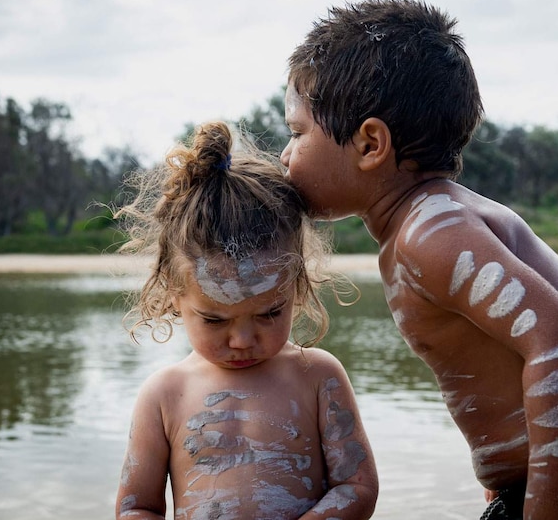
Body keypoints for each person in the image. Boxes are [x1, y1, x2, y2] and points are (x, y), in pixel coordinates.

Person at [281, 0, 558, 520]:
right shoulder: (438, 218)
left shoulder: (427, 234)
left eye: (297, 132)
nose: (287, 155)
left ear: (370, 144)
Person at [113, 121, 379, 519]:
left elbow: (357, 487)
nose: (242, 339)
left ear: (297, 287)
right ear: (174, 293)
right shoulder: (165, 395)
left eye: (270, 313)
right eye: (215, 320)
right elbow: (137, 507)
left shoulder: (317, 376)